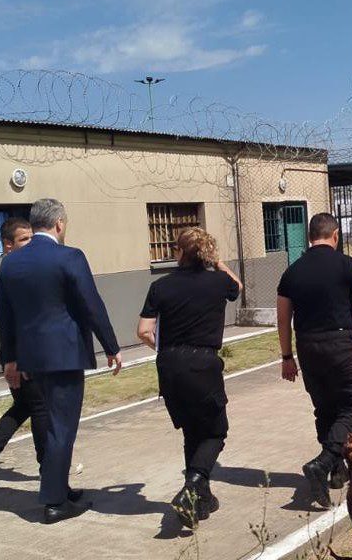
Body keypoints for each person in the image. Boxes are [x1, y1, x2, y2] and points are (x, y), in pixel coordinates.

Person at [0, 199, 122, 524]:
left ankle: (59, 487)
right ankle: (54, 502)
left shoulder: (10, 264)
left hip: (30, 358)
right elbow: (91, 303)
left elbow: (4, 317)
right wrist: (111, 345)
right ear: (59, 224)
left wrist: (10, 358)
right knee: (61, 427)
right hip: (65, 355)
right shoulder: (70, 256)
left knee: (51, 425)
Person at [277, 212, 352, 509]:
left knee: (325, 407)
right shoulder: (347, 265)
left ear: (311, 236)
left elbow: (283, 319)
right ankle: (323, 463)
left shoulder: (292, 273)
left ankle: (337, 472)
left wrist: (287, 356)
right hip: (339, 343)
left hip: (307, 345)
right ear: (335, 235)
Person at [137, 227, 242, 529]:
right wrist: (218, 262)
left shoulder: (161, 286)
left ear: (179, 253)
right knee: (215, 432)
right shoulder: (219, 281)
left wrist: (166, 350)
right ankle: (191, 487)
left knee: (191, 432)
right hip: (202, 363)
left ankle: (200, 499)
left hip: (169, 365)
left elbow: (144, 331)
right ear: (207, 253)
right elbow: (238, 285)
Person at [0, 218, 49, 492]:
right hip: (16, 350)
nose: (31, 243)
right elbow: (11, 316)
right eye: (24, 240)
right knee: (38, 406)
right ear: (9, 245)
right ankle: (49, 470)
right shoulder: (6, 268)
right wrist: (15, 357)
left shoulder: (16, 264)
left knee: (26, 406)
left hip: (19, 348)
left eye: (32, 237)